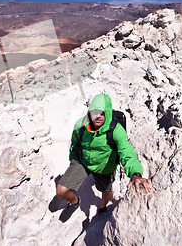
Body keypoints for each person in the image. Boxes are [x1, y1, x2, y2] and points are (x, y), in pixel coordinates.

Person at [56, 93, 152, 222]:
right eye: (95, 112)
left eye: (102, 113)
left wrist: (136, 175)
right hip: (83, 161)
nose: (98, 116)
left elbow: (127, 151)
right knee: (61, 191)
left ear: (107, 113)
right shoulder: (81, 125)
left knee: (105, 191)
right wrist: (73, 162)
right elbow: (75, 144)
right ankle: (75, 202)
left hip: (104, 167)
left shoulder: (115, 130)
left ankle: (102, 206)